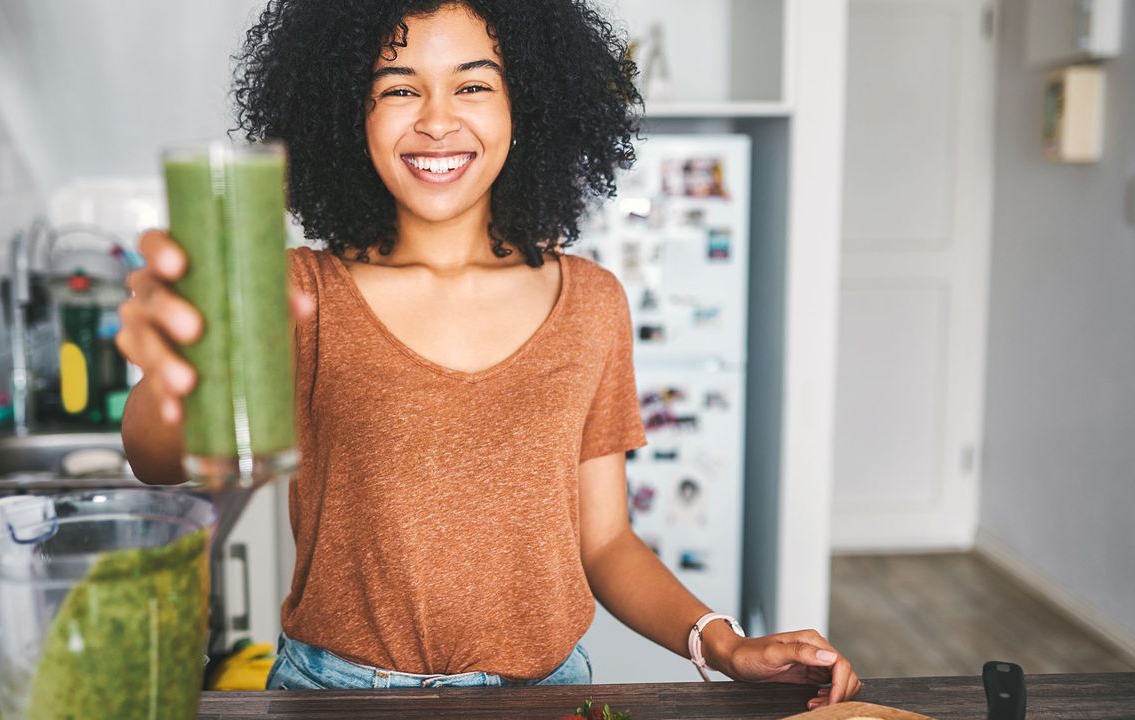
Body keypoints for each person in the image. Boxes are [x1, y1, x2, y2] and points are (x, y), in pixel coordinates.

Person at [117, 0, 861, 708]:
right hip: (333, 696)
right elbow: (156, 461)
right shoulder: (303, 292)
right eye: (398, 88)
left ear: (526, 106)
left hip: (547, 696)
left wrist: (723, 646)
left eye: (473, 84)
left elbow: (605, 541)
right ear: (350, 112)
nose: (438, 120)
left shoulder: (592, 302)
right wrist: (180, 376)